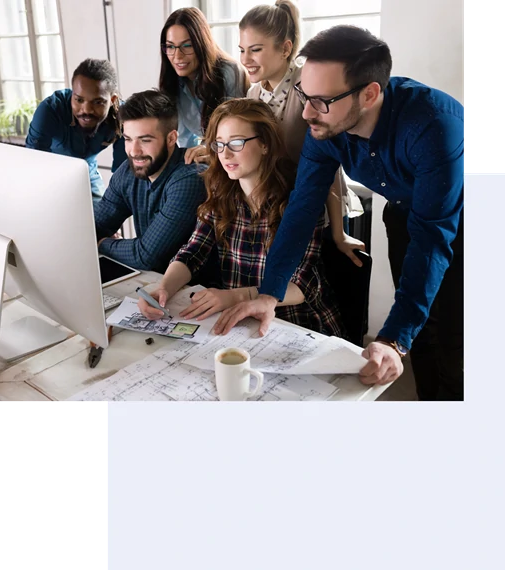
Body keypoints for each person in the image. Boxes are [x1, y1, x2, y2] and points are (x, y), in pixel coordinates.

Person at [214, 25, 465, 400]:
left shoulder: (433, 122)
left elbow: (432, 236)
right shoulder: (323, 126)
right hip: (401, 213)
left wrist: (393, 340)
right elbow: (302, 208)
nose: (308, 112)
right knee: (423, 330)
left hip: (457, 217)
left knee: (454, 334)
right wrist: (269, 293)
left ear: (369, 94)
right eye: (305, 95)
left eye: (322, 100)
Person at [138, 98, 345, 338]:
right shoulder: (221, 194)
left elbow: (303, 285)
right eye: (219, 144)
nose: (225, 154)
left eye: (236, 143)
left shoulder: (299, 201)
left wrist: (235, 296)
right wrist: (163, 288)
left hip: (298, 324)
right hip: (241, 321)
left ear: (266, 144)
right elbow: (192, 252)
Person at [239, 0, 365, 266]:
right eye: (242, 50)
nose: (245, 60)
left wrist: (339, 234)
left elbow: (327, 166)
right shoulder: (253, 93)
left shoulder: (308, 86)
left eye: (255, 50)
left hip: (319, 204)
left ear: (285, 48)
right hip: (280, 210)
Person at [94, 89, 207, 274]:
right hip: (152, 284)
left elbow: (146, 257)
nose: (134, 151)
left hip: (196, 292)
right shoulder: (129, 170)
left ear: (171, 138)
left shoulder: (190, 178)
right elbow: (95, 227)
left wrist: (101, 244)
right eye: (128, 139)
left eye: (145, 140)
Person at [159, 7, 249, 162]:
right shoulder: (173, 81)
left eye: (186, 46)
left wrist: (208, 149)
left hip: (236, 158)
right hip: (208, 160)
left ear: (201, 44)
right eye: (170, 46)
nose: (177, 56)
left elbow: (238, 133)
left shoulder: (229, 73)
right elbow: (185, 141)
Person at [26, 58, 120, 202]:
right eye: (79, 100)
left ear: (112, 100)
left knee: (103, 220)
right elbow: (35, 162)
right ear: (72, 95)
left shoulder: (123, 117)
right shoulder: (50, 110)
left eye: (98, 102)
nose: (86, 110)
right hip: (50, 176)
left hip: (87, 172)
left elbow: (124, 174)